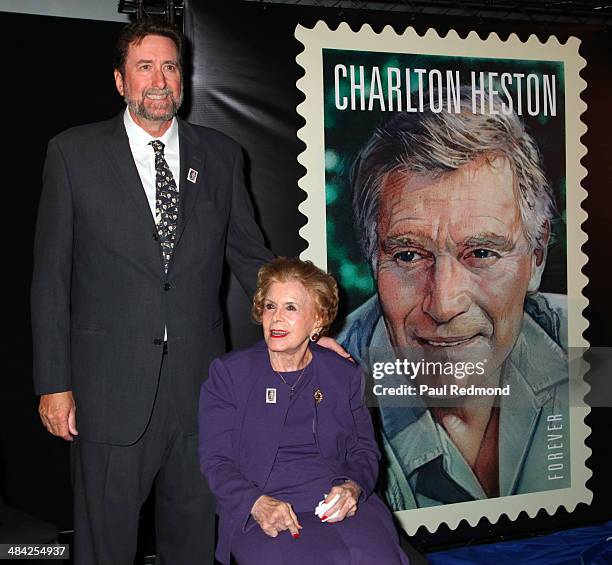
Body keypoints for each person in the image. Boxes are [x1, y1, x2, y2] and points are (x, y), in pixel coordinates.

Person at [30, 19, 346, 564]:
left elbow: (253, 259)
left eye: (170, 67)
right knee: (104, 546)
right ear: (119, 80)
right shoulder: (72, 154)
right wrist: (53, 383)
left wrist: (310, 329)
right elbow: (50, 279)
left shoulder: (221, 155)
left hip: (202, 393)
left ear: (184, 78)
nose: (159, 80)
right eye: (144, 67)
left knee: (195, 542)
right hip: (107, 392)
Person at [338, 87, 569, 511]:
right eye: (408, 255)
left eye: (482, 253)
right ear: (373, 259)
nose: (444, 304)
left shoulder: (588, 343)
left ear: (536, 258)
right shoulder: (325, 391)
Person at [199, 257, 410, 565]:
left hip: (336, 501)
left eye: (291, 308)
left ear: (318, 320)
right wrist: (255, 504)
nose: (276, 318)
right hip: (265, 507)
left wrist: (352, 488)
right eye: (270, 306)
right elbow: (215, 460)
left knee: (376, 556)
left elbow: (364, 449)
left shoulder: (344, 375)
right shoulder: (231, 374)